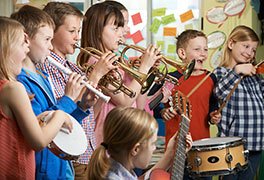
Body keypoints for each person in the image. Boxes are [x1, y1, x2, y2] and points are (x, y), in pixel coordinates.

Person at [10, 5, 99, 179]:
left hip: (60, 169)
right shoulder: (21, 82)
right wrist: (68, 98)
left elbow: (60, 125)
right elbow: (42, 128)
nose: (51, 47)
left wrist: (81, 107)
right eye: (47, 40)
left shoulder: (41, 76)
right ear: (27, 40)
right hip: (43, 170)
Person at [37, 2, 117, 179]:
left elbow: (86, 118)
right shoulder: (44, 67)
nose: (77, 38)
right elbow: (56, 116)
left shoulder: (74, 68)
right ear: (52, 31)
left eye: (79, 31)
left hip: (89, 153)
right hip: (68, 157)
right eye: (72, 31)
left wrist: (88, 103)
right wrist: (95, 76)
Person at [80, 2, 161, 146]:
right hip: (106, 140)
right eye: (115, 28)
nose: (121, 34)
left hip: (123, 134)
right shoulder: (97, 61)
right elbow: (125, 101)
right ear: (98, 31)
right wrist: (144, 66)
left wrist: (145, 71)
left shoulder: (116, 60)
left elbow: (139, 104)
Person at [0, 16, 72, 179]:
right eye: (22, 43)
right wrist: (61, 114)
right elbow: (38, 142)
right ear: (6, 48)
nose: (26, 49)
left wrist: (45, 117)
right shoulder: (13, 88)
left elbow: (13, 130)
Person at [156, 29, 221, 179]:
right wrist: (162, 111)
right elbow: (157, 105)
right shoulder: (170, 78)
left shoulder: (211, 78)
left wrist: (214, 116)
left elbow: (213, 107)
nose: (203, 53)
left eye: (205, 49)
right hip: (177, 148)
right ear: (182, 53)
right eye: (197, 49)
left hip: (203, 148)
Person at [214, 25, 264, 180]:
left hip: (256, 142)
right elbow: (219, 92)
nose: (250, 52)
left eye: (254, 49)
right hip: (232, 145)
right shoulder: (221, 72)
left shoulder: (254, 78)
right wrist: (237, 71)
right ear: (231, 44)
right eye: (246, 46)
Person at [87, 107, 193, 179]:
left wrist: (170, 154)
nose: (154, 148)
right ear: (136, 149)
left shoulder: (117, 170)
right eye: (153, 143)